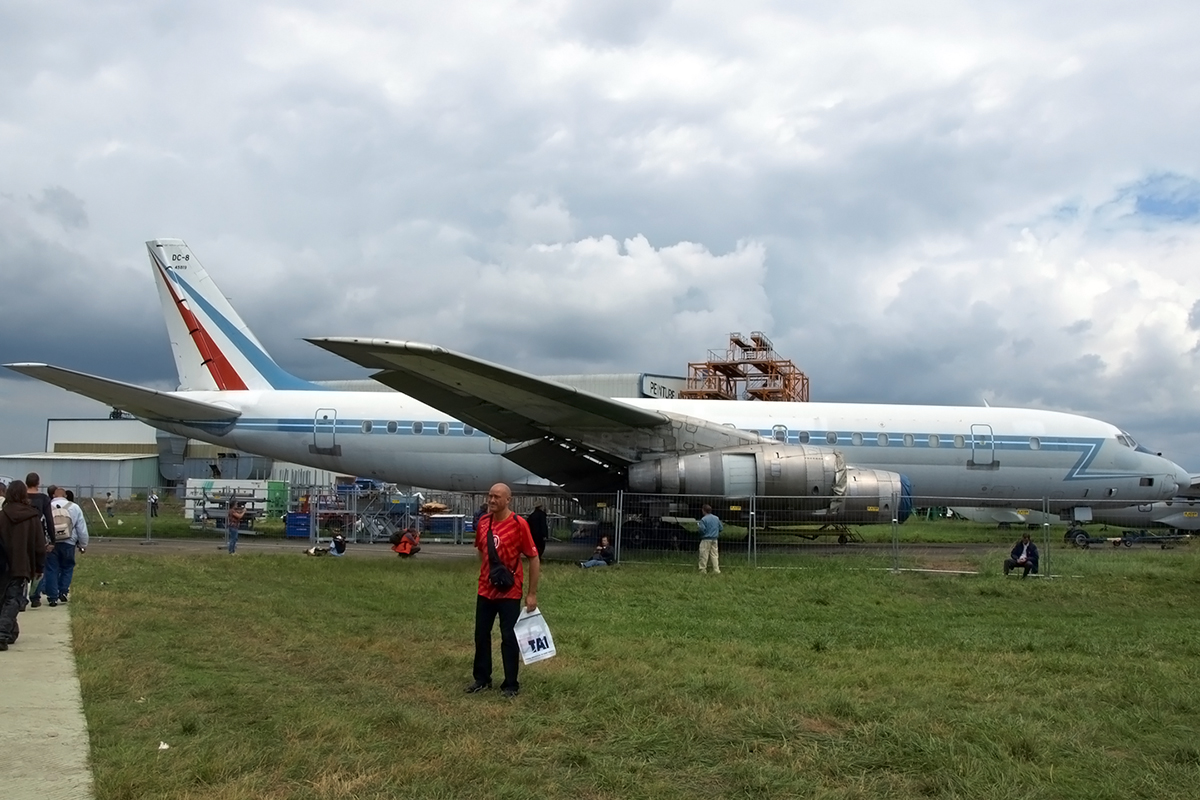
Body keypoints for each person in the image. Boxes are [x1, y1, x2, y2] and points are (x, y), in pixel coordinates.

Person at [467, 483, 540, 699]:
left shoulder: (519, 524)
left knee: (509, 637)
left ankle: (510, 684)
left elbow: (533, 558)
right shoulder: (483, 523)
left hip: (510, 592)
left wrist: (532, 593)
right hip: (485, 590)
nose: (491, 500)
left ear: (508, 500)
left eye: (497, 497)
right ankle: (482, 678)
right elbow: (481, 551)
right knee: (481, 634)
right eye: (490, 496)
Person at [0, 480, 48, 651]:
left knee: (4, 599)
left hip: (2, 564)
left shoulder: (2, 515)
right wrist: (39, 567)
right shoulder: (32, 517)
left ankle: (10, 632)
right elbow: (39, 546)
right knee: (14, 599)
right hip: (21, 565)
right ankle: (3, 634)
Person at [39, 488, 88, 607]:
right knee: (67, 567)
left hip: (51, 542)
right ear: (65, 495)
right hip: (69, 542)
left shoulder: (47, 506)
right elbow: (81, 528)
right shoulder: (74, 507)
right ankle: (63, 591)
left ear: (53, 495)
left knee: (51, 569)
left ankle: (52, 597)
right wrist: (83, 544)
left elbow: (42, 524)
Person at [697, 504, 723, 574]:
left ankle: (702, 569)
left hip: (706, 539)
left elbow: (702, 529)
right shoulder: (716, 518)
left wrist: (701, 532)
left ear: (703, 510)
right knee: (714, 555)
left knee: (704, 554)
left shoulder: (703, 519)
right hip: (714, 539)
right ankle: (716, 570)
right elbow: (721, 528)